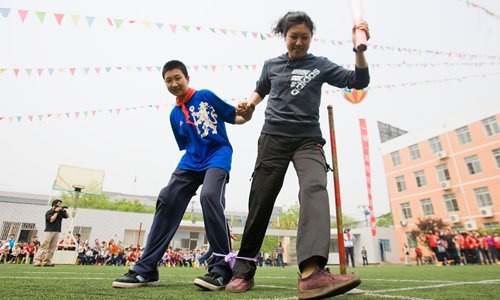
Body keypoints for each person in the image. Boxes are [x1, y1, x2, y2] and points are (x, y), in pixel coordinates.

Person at [225, 11, 370, 299]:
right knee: (261, 200)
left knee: (315, 188)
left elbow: (359, 80)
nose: (300, 42)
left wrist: (359, 50)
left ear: (311, 38)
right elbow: (260, 90)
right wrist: (250, 105)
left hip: (308, 140)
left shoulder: (320, 65)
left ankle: (312, 273)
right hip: (273, 139)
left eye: (305, 37)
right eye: (294, 37)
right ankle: (243, 271)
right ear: (284, 36)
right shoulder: (271, 65)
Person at [112, 60, 252, 290]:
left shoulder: (205, 96)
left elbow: (235, 117)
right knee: (167, 198)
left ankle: (222, 268)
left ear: (187, 78)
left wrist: (248, 114)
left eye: (178, 78)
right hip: (191, 160)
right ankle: (146, 269)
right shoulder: (174, 115)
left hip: (217, 155)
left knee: (209, 196)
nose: (174, 83)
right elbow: (187, 144)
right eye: (169, 80)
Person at [32, 199, 69, 267]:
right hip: (49, 231)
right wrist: (56, 212)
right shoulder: (49, 212)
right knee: (44, 246)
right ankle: (37, 261)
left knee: (52, 247)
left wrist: (64, 211)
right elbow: (51, 220)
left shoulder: (60, 212)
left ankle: (47, 261)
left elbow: (67, 216)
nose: (60, 206)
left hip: (57, 231)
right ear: (54, 205)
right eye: (59, 204)